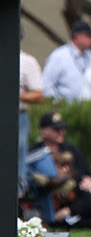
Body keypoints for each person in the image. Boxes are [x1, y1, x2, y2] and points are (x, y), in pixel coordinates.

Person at [27, 111, 91, 230]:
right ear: (44, 132)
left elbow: (85, 178)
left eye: (62, 129)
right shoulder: (34, 153)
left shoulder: (71, 150)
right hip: (52, 206)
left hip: (74, 203)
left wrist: (71, 208)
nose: (61, 132)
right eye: (56, 130)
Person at [41, 19, 91, 101]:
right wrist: (56, 104)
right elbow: (47, 84)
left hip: (87, 108)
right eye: (89, 36)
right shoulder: (59, 56)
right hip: (64, 108)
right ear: (78, 36)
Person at [19, 44, 44, 193]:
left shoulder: (27, 61)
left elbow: (38, 95)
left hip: (18, 116)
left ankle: (18, 195)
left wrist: (15, 94)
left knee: (17, 159)